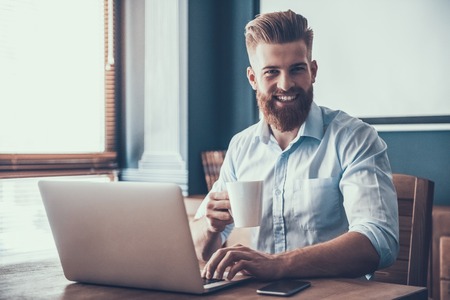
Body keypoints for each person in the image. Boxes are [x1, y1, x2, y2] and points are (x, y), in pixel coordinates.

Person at [191, 10, 399, 282]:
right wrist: (209, 227)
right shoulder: (241, 147)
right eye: (271, 72)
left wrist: (278, 264)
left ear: (312, 71)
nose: (285, 83)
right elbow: (198, 249)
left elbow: (378, 240)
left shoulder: (354, 138)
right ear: (253, 79)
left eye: (296, 69)